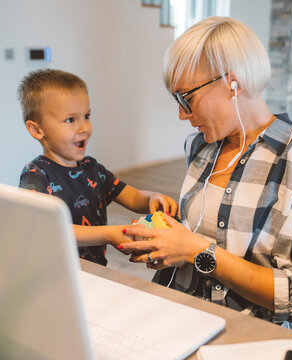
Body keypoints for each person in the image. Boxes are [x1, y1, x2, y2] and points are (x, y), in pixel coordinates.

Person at [118, 17, 292, 329]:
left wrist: (194, 250)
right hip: (177, 313)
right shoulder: (201, 147)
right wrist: (167, 242)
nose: (181, 114)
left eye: (186, 98)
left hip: (246, 331)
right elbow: (197, 239)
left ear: (233, 83)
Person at [18, 69, 178, 266]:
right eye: (70, 120)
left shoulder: (93, 170)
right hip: (55, 274)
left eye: (86, 116)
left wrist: (152, 198)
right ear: (36, 129)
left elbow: (133, 197)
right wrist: (109, 234)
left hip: (96, 270)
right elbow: (45, 229)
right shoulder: (35, 175)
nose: (84, 127)